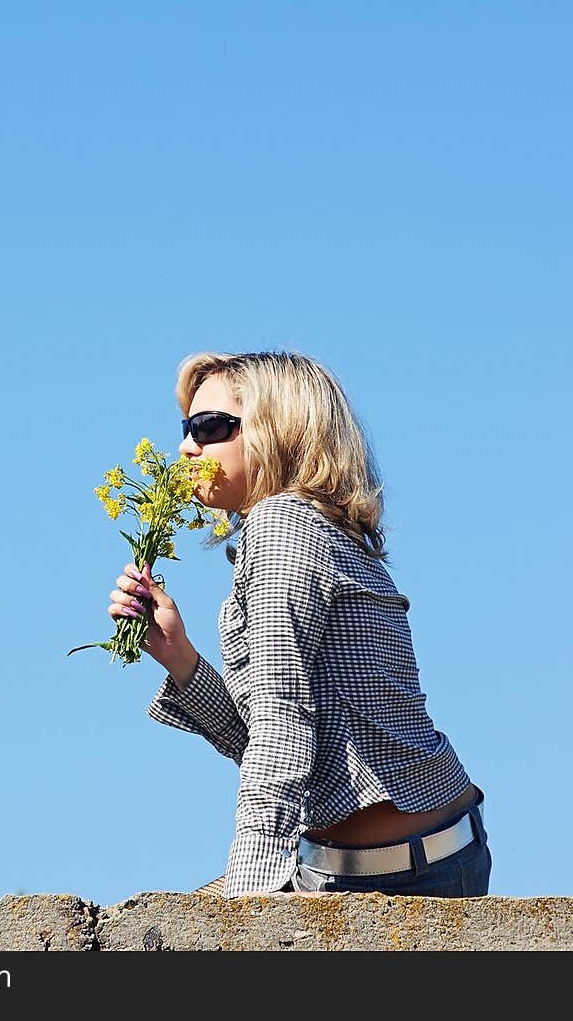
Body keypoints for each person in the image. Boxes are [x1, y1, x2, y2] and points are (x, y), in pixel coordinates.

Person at [107, 350, 490, 898]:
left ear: (279, 429)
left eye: (209, 427)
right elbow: (289, 740)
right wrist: (181, 659)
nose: (186, 447)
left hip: (406, 879)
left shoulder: (283, 524)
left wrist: (247, 902)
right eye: (184, 428)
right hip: (399, 860)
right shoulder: (303, 529)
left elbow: (282, 727)